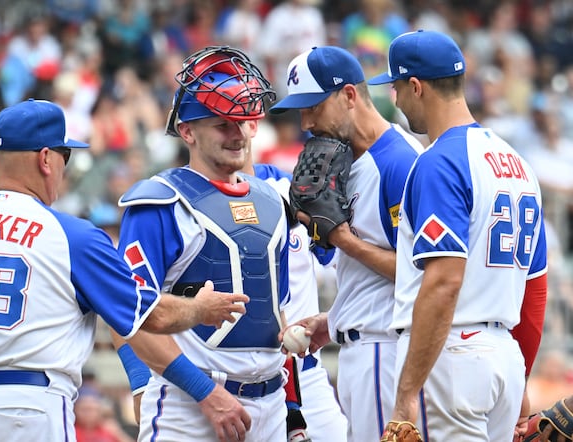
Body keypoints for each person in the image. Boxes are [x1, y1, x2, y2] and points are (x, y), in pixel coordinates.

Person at [0, 98, 250, 442]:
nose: (64, 166)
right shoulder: (71, 235)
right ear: (45, 159)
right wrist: (200, 308)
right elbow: (149, 317)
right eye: (65, 155)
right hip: (27, 409)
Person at [367, 30, 548, 441]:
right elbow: (535, 290)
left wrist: (406, 395)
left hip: (450, 356)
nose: (395, 98)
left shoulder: (440, 161)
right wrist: (520, 371)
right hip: (504, 356)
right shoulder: (518, 163)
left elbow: (445, 280)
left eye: (396, 87)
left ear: (416, 87)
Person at [114, 46, 291, 442]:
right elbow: (128, 317)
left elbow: (275, 318)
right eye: (223, 124)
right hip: (190, 405)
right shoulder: (158, 202)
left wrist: (292, 409)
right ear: (188, 131)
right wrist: (204, 393)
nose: (238, 133)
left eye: (244, 121)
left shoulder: (274, 201)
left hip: (270, 403)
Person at [269, 45, 423, 441]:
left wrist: (342, 239)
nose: (305, 121)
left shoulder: (399, 162)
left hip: (386, 349)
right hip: (361, 346)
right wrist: (332, 321)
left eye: (314, 107)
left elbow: (421, 272)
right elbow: (362, 275)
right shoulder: (345, 160)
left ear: (349, 96)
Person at [241, 123, 349, 442]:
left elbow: (343, 263)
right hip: (238, 379)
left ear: (252, 125)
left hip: (306, 373)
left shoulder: (288, 188)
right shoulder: (186, 202)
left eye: (240, 119)